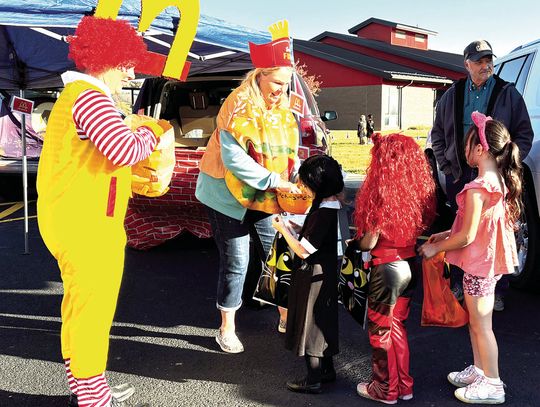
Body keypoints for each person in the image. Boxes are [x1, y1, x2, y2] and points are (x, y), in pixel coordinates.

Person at [37, 16, 167, 407]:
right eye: (126, 62)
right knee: (92, 313)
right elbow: (123, 150)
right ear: (106, 59)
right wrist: (154, 130)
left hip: (79, 219)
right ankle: (93, 397)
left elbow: (106, 159)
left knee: (79, 308)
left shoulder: (79, 97)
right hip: (86, 224)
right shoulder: (90, 97)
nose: (130, 71)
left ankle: (89, 388)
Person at [195, 20, 299, 354]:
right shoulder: (237, 105)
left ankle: (285, 318)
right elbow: (235, 160)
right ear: (259, 75)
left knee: (277, 254)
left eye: (287, 83)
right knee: (237, 261)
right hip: (227, 197)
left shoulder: (282, 109)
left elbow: (288, 153)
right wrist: (275, 180)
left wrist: (293, 177)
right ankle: (226, 328)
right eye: (277, 82)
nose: (282, 89)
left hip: (267, 197)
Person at [419, 112, 522, 404]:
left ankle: (493, 383)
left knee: (481, 324)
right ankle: (480, 370)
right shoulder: (494, 181)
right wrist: (443, 236)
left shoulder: (479, 188)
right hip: (483, 263)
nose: (463, 150)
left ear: (479, 148)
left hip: (479, 266)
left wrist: (434, 248)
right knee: (477, 322)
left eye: (467, 144)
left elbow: (467, 236)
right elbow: (467, 228)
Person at [430, 40, 533, 310]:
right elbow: (438, 133)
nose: (486, 65)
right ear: (467, 64)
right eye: (479, 61)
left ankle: (495, 289)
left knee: (495, 230)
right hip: (460, 173)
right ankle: (462, 283)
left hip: (493, 174)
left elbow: (524, 134)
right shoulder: (453, 94)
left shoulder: (507, 93)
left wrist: (507, 164)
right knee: (461, 228)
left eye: (489, 60)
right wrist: (448, 166)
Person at [354, 133, 437, 404]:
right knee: (397, 327)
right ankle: (403, 385)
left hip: (385, 269)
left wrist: (360, 240)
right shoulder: (418, 192)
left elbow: (370, 241)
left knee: (381, 331)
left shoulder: (382, 193)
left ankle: (384, 389)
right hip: (408, 266)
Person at [271, 154, 343, 394]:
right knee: (325, 321)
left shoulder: (323, 213)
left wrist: (283, 229)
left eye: (305, 183)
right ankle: (327, 370)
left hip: (314, 275)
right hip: (328, 273)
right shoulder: (331, 207)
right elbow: (317, 237)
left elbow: (303, 250)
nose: (302, 187)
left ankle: (313, 378)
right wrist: (296, 227)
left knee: (311, 325)